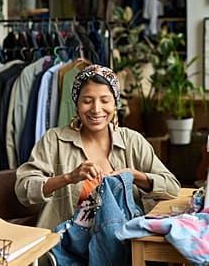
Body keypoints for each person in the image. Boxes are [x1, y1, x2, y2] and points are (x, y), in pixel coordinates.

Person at [15, 64, 181, 231]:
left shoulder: (132, 141)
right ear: (77, 104)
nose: (96, 109)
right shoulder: (54, 140)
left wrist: (134, 175)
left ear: (115, 104)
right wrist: (69, 177)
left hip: (122, 244)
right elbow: (24, 189)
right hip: (65, 249)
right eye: (87, 101)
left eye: (104, 100)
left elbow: (172, 187)